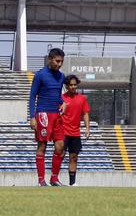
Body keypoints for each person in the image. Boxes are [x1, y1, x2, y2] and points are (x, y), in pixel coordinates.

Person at [29, 48, 66, 187]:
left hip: (57, 115)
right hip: (43, 114)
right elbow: (32, 96)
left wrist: (63, 103)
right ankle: (41, 180)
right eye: (57, 61)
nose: (59, 64)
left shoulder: (61, 76)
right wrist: (32, 117)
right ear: (50, 59)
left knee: (60, 146)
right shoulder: (40, 75)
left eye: (61, 61)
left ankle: (54, 179)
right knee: (42, 146)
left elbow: (57, 95)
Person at [60, 75, 91, 187]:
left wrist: (87, 128)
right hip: (63, 132)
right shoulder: (62, 98)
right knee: (60, 155)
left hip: (75, 133)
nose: (73, 87)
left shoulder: (82, 99)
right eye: (71, 85)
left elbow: (85, 114)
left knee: (73, 157)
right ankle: (54, 179)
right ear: (67, 86)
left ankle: (72, 183)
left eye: (75, 84)